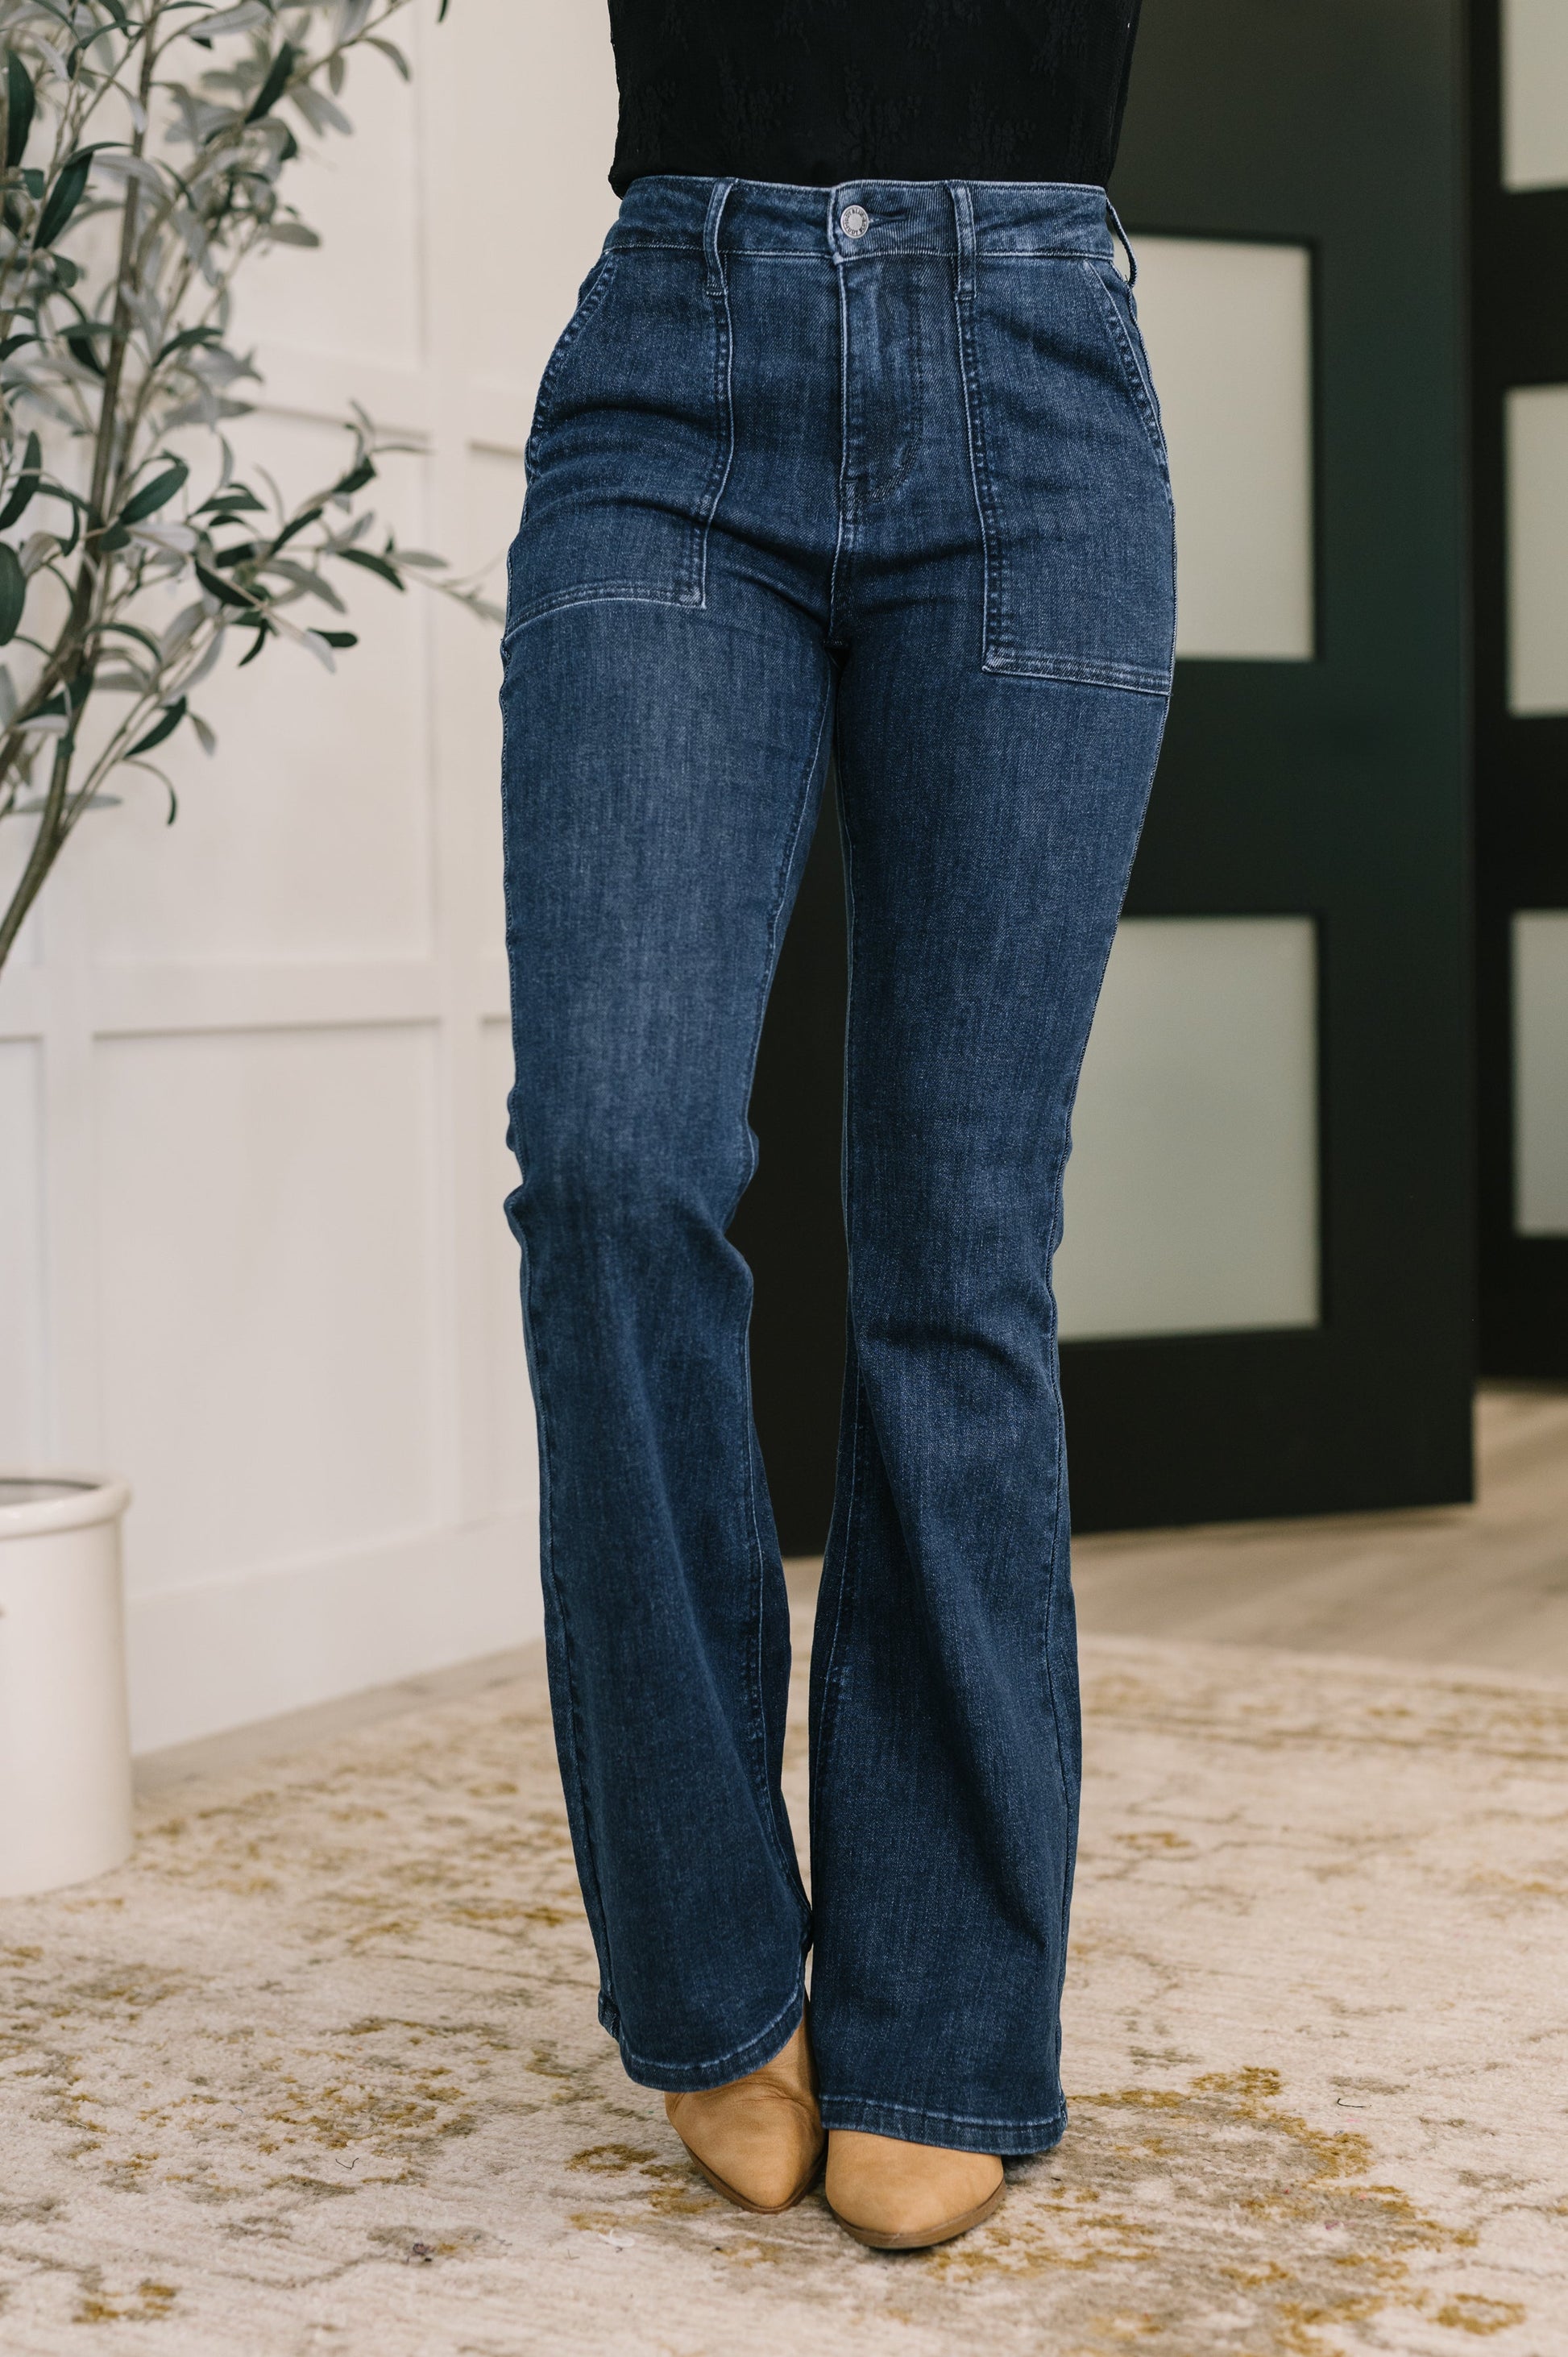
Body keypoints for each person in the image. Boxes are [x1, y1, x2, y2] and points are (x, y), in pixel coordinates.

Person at [499, 0, 1172, 2252]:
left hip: (1037, 375)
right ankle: (705, 1965)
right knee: (614, 1168)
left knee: (955, 1240)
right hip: (673, 363)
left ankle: (943, 2011)